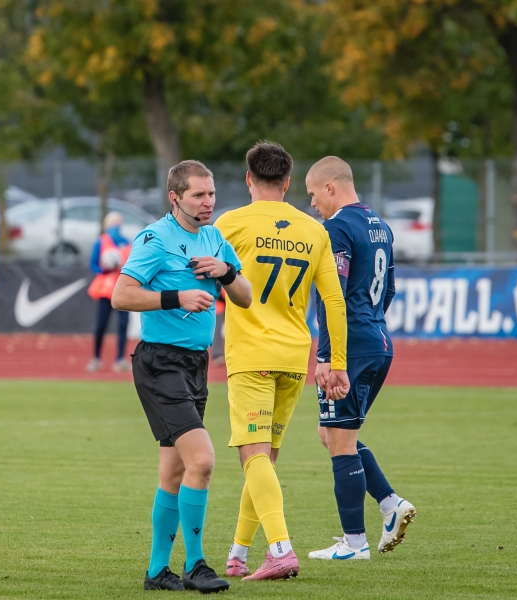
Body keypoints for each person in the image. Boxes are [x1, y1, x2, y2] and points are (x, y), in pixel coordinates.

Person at [112, 160, 252, 593]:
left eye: (211, 193)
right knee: (202, 461)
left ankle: (157, 572)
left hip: (195, 365)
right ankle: (196, 565)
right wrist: (177, 297)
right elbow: (121, 295)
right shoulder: (156, 238)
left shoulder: (213, 238)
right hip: (160, 363)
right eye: (198, 195)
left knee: (174, 474)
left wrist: (226, 272)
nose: (208, 202)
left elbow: (246, 297)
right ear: (175, 198)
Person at [214, 141, 349, 580]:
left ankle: (280, 550)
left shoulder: (230, 223)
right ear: (288, 183)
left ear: (248, 179)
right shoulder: (314, 229)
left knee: (252, 456)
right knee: (263, 460)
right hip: (294, 357)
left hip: (251, 355)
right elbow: (333, 301)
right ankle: (238, 553)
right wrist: (338, 362)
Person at [305, 156, 416, 560]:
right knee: (333, 434)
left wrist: (326, 355)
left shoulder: (336, 227)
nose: (312, 203)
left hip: (349, 347)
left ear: (330, 187)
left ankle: (354, 543)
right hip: (378, 341)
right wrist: (370, 323)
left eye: (313, 194)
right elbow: (389, 290)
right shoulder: (380, 226)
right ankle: (389, 504)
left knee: (339, 442)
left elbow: (331, 293)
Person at [86, 211, 131, 372]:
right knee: (101, 325)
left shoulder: (126, 243)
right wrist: (104, 269)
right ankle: (96, 358)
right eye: (113, 223)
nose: (116, 226)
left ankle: (120, 359)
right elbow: (93, 264)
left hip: (123, 290)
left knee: (123, 324)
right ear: (106, 225)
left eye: (118, 223)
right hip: (106, 290)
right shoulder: (101, 242)